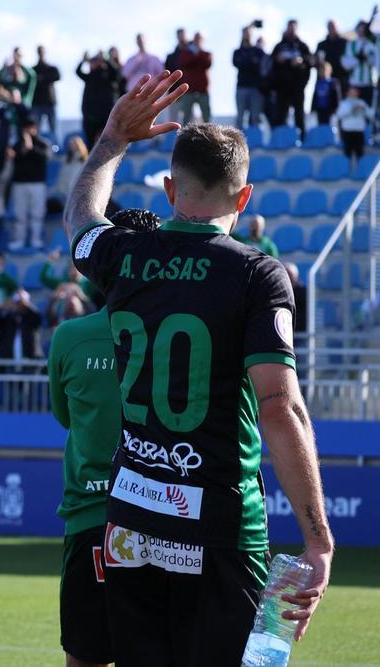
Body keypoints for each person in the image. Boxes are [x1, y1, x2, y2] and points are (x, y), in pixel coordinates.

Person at [63, 70, 332, 663]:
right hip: (220, 524)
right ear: (244, 198)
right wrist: (318, 539)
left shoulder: (124, 256)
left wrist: (112, 139)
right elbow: (280, 407)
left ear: (167, 190)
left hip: (131, 520)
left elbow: (80, 219)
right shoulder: (258, 274)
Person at [49, 207, 161, 667]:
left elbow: (64, 417)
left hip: (92, 515)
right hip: (168, 514)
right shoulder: (179, 332)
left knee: (87, 656)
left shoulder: (70, 337)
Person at [7, 120, 50, 251]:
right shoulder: (16, 145)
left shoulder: (43, 143)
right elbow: (14, 160)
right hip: (20, 184)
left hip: (37, 184)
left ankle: (36, 240)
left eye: (30, 127)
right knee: (20, 215)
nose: (27, 131)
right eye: (25, 128)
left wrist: (30, 148)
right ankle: (20, 240)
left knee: (37, 214)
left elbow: (45, 157)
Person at [271, 20, 315, 137]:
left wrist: (301, 60)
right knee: (281, 114)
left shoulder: (302, 46)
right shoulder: (279, 46)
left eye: (293, 27)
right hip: (282, 87)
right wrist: (278, 60)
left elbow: (311, 61)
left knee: (299, 114)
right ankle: (280, 138)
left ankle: (302, 138)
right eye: (290, 27)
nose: (291, 30)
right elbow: (271, 63)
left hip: (298, 86)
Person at [76, 52, 121, 147]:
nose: (94, 63)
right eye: (92, 61)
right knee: (90, 145)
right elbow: (78, 71)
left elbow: (116, 71)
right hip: (90, 118)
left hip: (106, 117)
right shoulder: (89, 77)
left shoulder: (108, 76)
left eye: (96, 61)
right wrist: (83, 61)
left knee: (109, 144)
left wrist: (106, 59)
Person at [233, 26, 268, 129]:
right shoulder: (237, 52)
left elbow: (263, 64)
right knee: (240, 117)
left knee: (255, 117)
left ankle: (255, 141)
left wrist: (247, 62)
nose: (246, 35)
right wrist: (251, 61)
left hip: (255, 88)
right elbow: (237, 63)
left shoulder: (258, 51)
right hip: (241, 87)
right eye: (245, 33)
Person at [341, 20, 379, 112]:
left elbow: (376, 61)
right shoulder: (351, 44)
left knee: (368, 110)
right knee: (353, 110)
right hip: (355, 83)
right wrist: (358, 60)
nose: (361, 30)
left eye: (363, 28)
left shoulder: (372, 44)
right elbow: (345, 63)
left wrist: (367, 58)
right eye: (360, 28)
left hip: (368, 83)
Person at [176, 33, 213, 124]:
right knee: (186, 117)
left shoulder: (206, 54)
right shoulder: (185, 54)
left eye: (199, 39)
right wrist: (195, 55)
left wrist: (197, 54)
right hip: (189, 91)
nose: (197, 41)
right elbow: (185, 62)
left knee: (206, 116)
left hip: (203, 91)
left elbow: (207, 63)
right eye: (196, 38)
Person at [337, 86, 372, 167]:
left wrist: (364, 109)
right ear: (347, 93)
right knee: (347, 153)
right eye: (351, 92)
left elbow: (370, 115)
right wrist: (351, 108)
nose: (353, 94)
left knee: (360, 153)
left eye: (355, 92)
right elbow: (339, 115)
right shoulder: (344, 103)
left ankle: (360, 170)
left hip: (359, 132)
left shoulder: (362, 102)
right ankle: (346, 170)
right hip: (348, 132)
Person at [31, 45, 61, 135]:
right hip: (37, 103)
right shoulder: (33, 70)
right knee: (36, 130)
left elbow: (58, 76)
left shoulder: (51, 68)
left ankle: (56, 148)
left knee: (53, 129)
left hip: (50, 102)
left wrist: (42, 78)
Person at [316, 20, 348, 91]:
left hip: (341, 79)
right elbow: (316, 61)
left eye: (333, 26)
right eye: (330, 27)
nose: (331, 29)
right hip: (324, 81)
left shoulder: (345, 43)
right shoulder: (322, 45)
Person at [311, 62, 342, 126]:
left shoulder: (333, 82)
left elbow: (337, 96)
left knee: (330, 126)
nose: (322, 72)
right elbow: (315, 96)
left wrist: (336, 108)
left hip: (330, 109)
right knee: (320, 125)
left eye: (324, 70)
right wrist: (313, 108)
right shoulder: (318, 82)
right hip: (319, 109)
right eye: (321, 70)